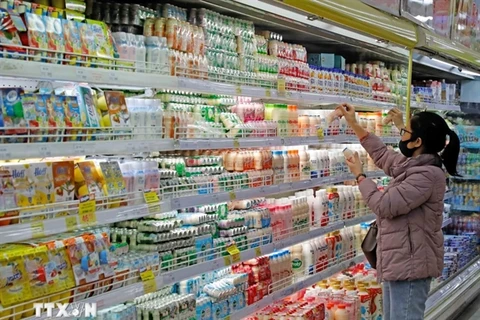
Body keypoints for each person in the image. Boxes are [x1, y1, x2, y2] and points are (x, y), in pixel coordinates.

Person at [336, 104, 460, 320]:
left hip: (411, 265)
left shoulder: (426, 176)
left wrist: (360, 177)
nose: (401, 134)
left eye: (404, 131)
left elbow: (384, 205)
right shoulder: (415, 166)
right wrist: (354, 123)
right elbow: (384, 155)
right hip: (399, 260)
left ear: (417, 142)